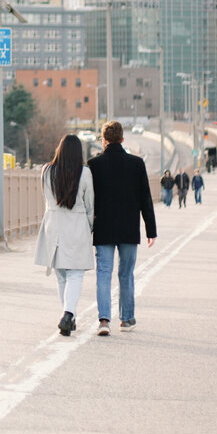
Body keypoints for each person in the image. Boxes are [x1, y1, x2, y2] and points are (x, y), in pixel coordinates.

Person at [87, 120, 157, 337]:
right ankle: (126, 319)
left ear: (103, 141)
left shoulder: (94, 165)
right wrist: (151, 230)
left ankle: (104, 321)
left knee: (104, 273)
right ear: (123, 140)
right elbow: (146, 198)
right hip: (129, 228)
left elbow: (89, 200)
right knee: (126, 274)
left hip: (104, 227)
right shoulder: (137, 164)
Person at [33, 134, 95, 337]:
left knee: (61, 275)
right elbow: (90, 204)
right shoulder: (84, 172)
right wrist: (90, 227)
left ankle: (67, 317)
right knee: (75, 273)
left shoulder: (46, 171)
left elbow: (46, 199)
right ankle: (68, 314)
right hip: (76, 225)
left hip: (54, 225)